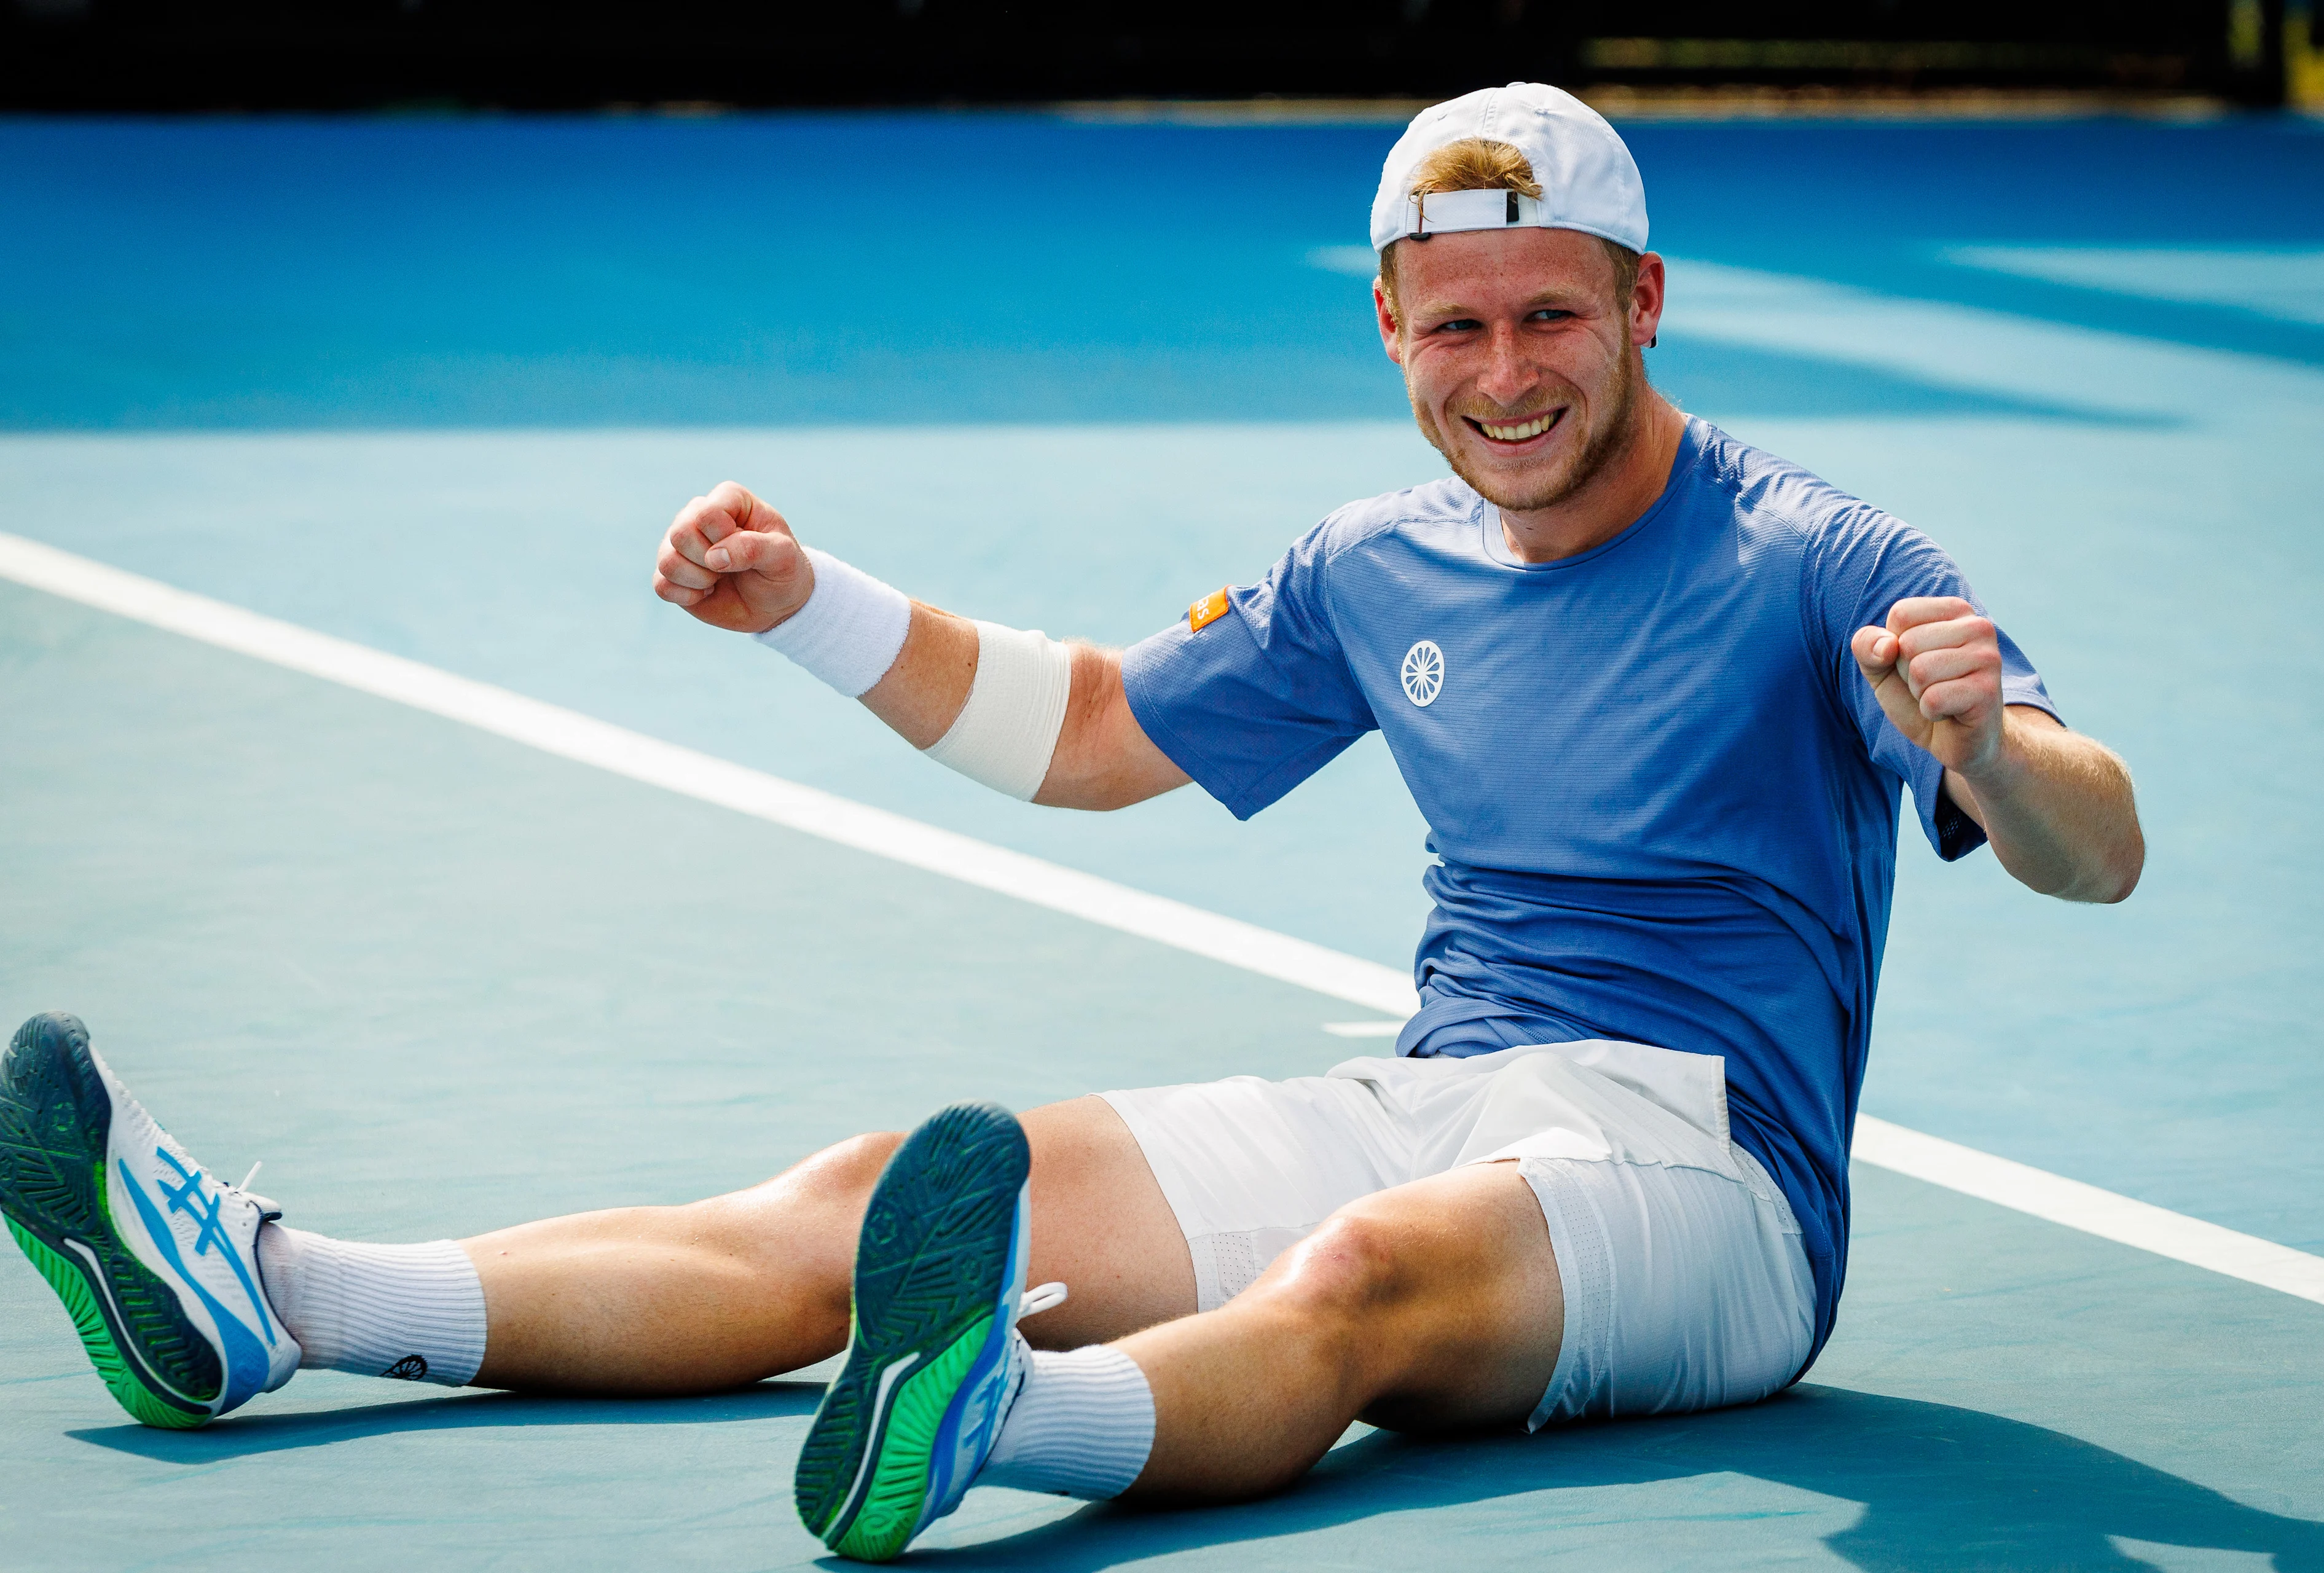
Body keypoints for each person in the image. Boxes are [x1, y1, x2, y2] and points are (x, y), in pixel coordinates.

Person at [0, 82, 2142, 1562]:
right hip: (1451, 1086)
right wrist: (805, 609)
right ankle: (279, 1295)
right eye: (1460, 324)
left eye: (1557, 316)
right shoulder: (1371, 563)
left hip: (1715, 1182)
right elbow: (1098, 728)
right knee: (871, 1195)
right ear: (1391, 329)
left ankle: (992, 1420)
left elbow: (2096, 843)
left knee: (1367, 1281)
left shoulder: (1821, 558)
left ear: (1646, 308)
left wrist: (1983, 750)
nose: (1511, 372)